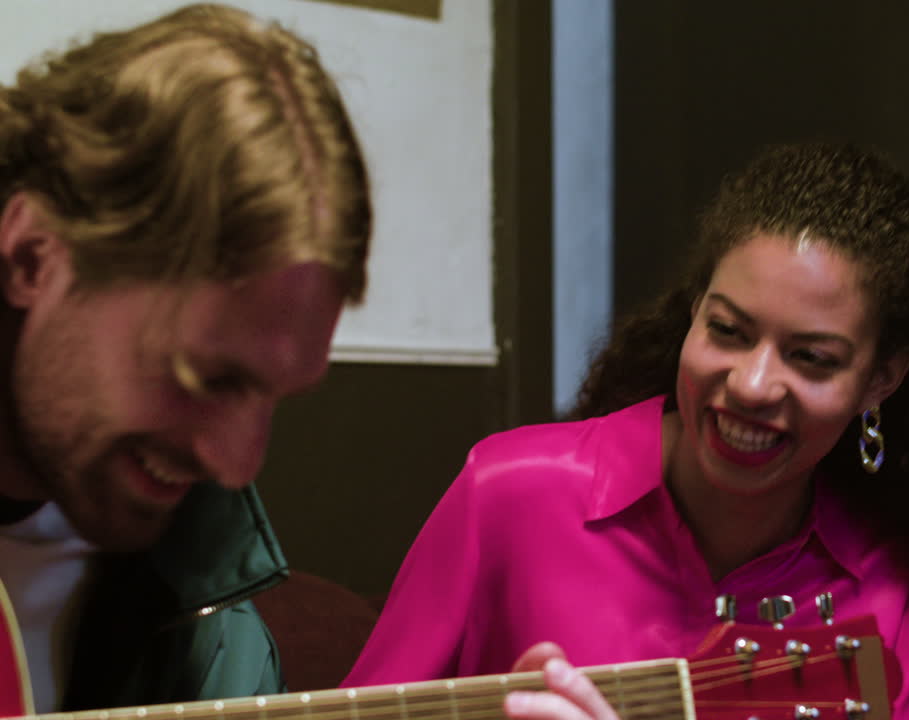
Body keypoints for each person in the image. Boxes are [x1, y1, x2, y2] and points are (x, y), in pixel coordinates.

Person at [0, 6, 608, 719]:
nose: (235, 465)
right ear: (33, 256)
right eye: (208, 378)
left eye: (273, 398)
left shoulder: (209, 624)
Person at [344, 143, 909, 720]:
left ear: (880, 380)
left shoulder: (895, 587)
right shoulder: (509, 494)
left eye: (812, 358)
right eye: (727, 331)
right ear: (693, 310)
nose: (752, 385)